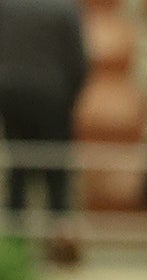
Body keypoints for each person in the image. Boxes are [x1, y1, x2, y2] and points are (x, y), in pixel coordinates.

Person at [0, 0, 88, 265]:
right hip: (54, 98)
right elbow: (80, 63)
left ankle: (14, 254)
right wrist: (66, 98)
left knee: (18, 171)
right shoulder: (66, 8)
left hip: (11, 97)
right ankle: (59, 253)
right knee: (57, 176)